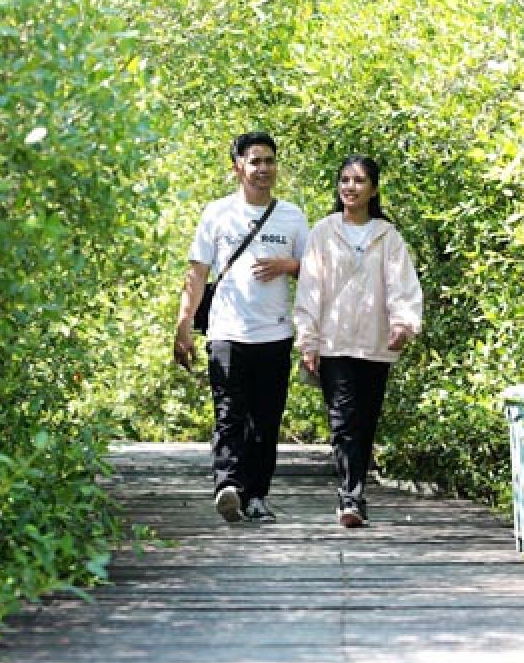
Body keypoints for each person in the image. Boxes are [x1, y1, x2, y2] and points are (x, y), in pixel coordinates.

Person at [173, 132, 311, 523]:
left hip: (275, 333)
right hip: (227, 332)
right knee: (229, 413)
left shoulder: (292, 217)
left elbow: (315, 272)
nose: (263, 169)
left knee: (266, 420)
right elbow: (197, 273)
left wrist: (288, 266)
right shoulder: (217, 214)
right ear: (238, 167)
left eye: (269, 161)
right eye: (255, 161)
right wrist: (184, 323)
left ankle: (256, 496)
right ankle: (228, 486)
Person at [294, 155, 423, 528]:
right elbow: (310, 289)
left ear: (373, 189)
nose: (350, 187)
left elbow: (402, 285)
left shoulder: (387, 236)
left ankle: (356, 489)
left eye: (359, 181)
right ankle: (350, 495)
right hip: (334, 343)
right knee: (343, 419)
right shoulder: (323, 232)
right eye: (345, 180)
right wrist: (308, 341)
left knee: (365, 420)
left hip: (375, 341)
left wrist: (403, 324)